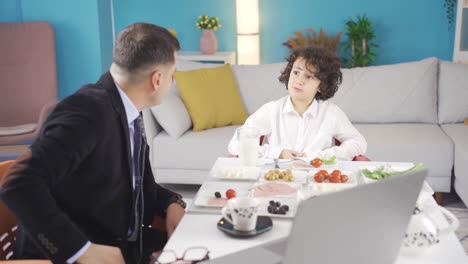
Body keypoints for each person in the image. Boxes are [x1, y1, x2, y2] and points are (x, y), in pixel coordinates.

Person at [0, 23, 185, 264]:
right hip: (73, 254)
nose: (172, 82)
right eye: (173, 75)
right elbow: (17, 184)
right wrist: (80, 250)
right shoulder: (87, 112)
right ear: (157, 79)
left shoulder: (129, 111)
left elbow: (134, 187)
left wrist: (172, 202)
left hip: (119, 243)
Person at [228, 46, 367, 161]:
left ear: (321, 85)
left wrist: (322, 156)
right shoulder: (271, 110)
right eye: (296, 72)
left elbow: (358, 143)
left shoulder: (331, 113)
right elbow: (236, 144)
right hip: (278, 179)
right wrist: (278, 153)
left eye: (309, 76)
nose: (298, 80)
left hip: (319, 179)